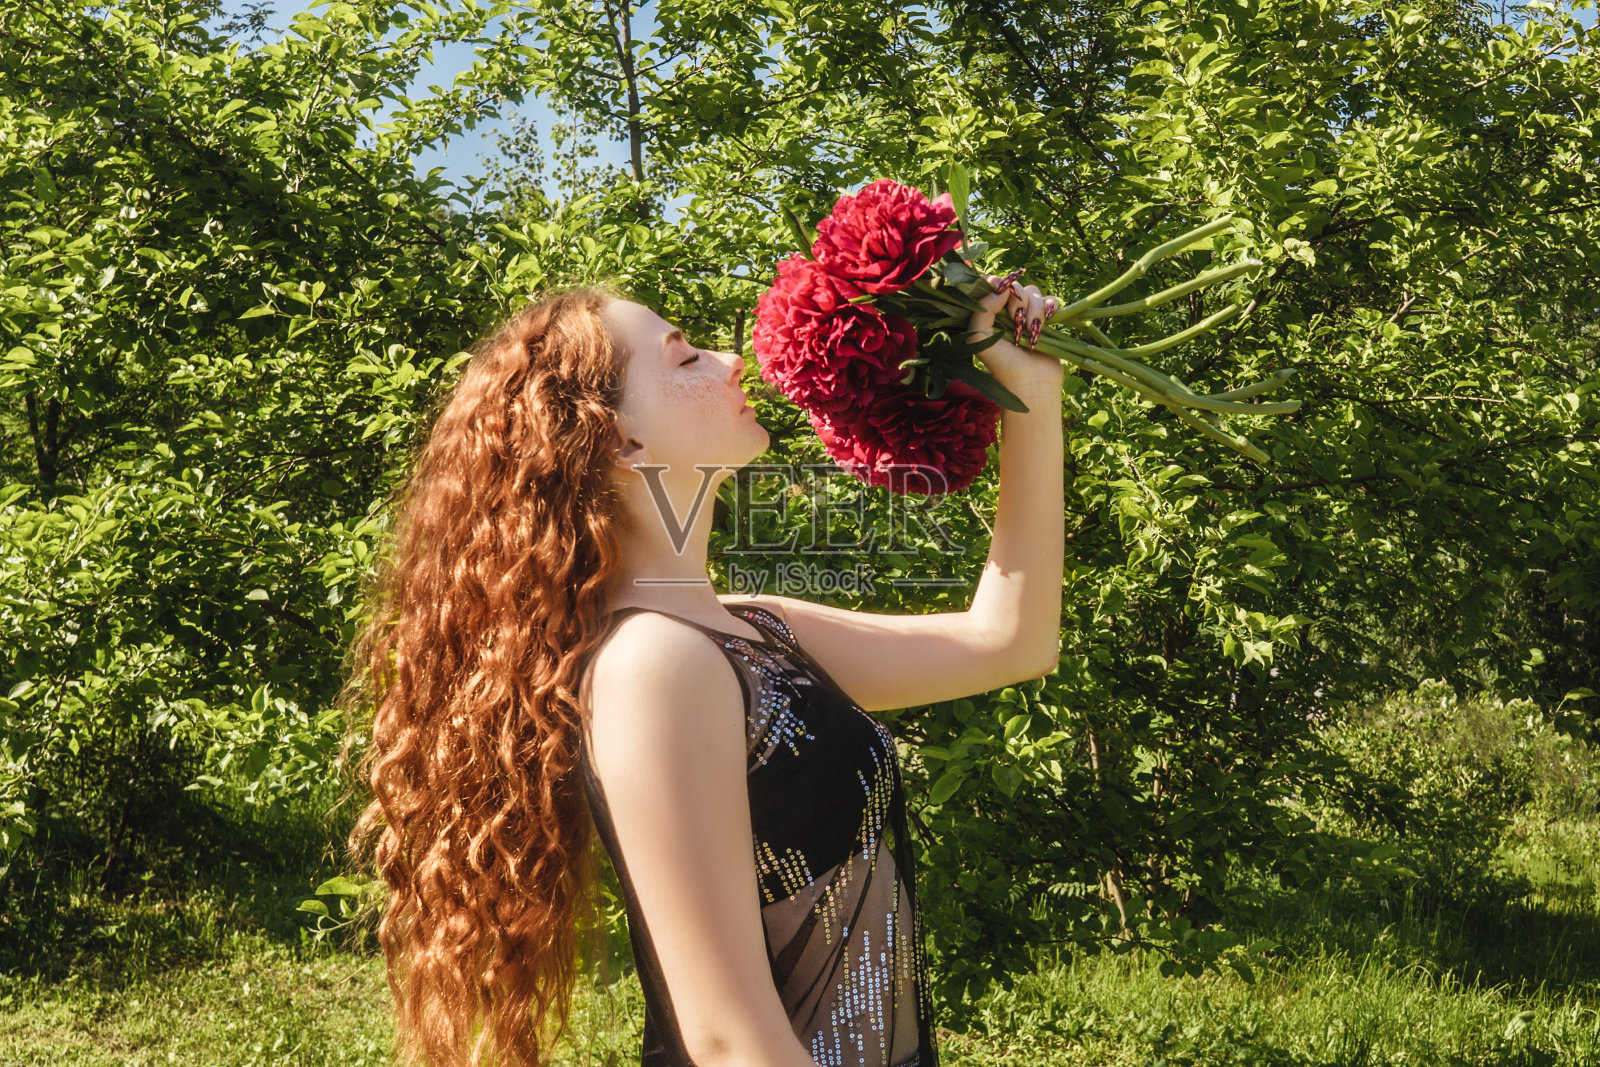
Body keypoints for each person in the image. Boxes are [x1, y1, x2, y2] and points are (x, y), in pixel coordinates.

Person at [345, 278, 1064, 1067]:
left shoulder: (750, 629)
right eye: (684, 356)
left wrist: (1028, 391)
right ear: (618, 440)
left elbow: (1010, 640)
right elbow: (729, 1043)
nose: (730, 361)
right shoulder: (656, 664)